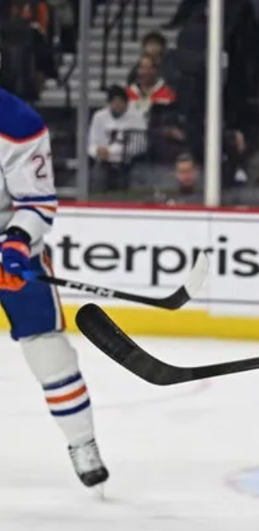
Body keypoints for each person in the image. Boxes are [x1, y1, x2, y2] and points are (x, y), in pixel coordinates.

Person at [0, 88, 109, 489]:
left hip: (10, 247)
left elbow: (37, 201)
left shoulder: (18, 122)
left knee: (48, 350)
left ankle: (82, 443)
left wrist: (14, 245)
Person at [87, 84, 147, 192]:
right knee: (96, 176)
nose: (117, 105)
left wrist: (112, 152)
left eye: (120, 102)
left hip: (129, 163)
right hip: (103, 162)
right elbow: (91, 143)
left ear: (126, 102)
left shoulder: (137, 117)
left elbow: (141, 145)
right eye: (114, 102)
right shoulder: (99, 117)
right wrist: (97, 151)